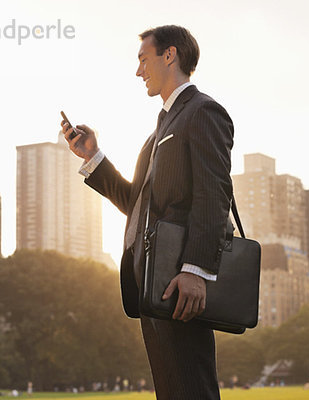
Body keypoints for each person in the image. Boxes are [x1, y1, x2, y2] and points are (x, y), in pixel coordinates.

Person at [62, 25, 233, 400]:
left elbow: (214, 195)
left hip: (180, 282)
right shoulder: (156, 134)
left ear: (169, 55)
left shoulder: (204, 112)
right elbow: (138, 207)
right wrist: (92, 156)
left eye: (144, 59)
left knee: (193, 389)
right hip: (153, 287)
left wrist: (196, 271)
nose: (139, 71)